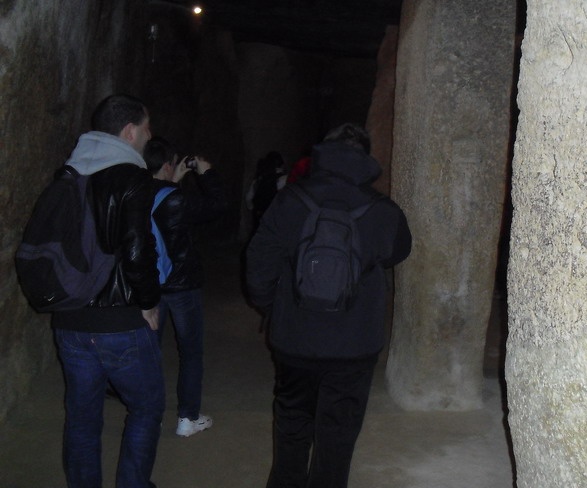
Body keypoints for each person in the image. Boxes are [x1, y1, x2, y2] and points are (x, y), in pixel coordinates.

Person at [246, 123, 412, 488]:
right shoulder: (383, 210)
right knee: (337, 436)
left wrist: (274, 308)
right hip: (354, 343)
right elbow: (399, 252)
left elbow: (258, 264)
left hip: (296, 338)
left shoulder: (290, 200)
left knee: (292, 426)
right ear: (365, 158)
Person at [51, 94, 164, 488]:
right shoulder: (133, 177)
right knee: (146, 408)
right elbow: (137, 248)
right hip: (119, 321)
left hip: (69, 319)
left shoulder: (68, 173)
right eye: (146, 128)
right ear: (129, 131)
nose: (150, 135)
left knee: (82, 418)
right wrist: (149, 302)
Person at [144, 136, 228, 437]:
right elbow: (218, 205)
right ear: (169, 164)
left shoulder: (135, 191)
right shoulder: (175, 199)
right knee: (190, 352)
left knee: (149, 352)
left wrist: (174, 182)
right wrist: (206, 172)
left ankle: (148, 416)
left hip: (149, 286)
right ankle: (187, 418)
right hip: (182, 287)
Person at [246, 151, 286, 232]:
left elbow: (249, 197)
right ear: (282, 164)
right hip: (276, 218)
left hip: (260, 215)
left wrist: (253, 209)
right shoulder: (285, 179)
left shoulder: (260, 178)